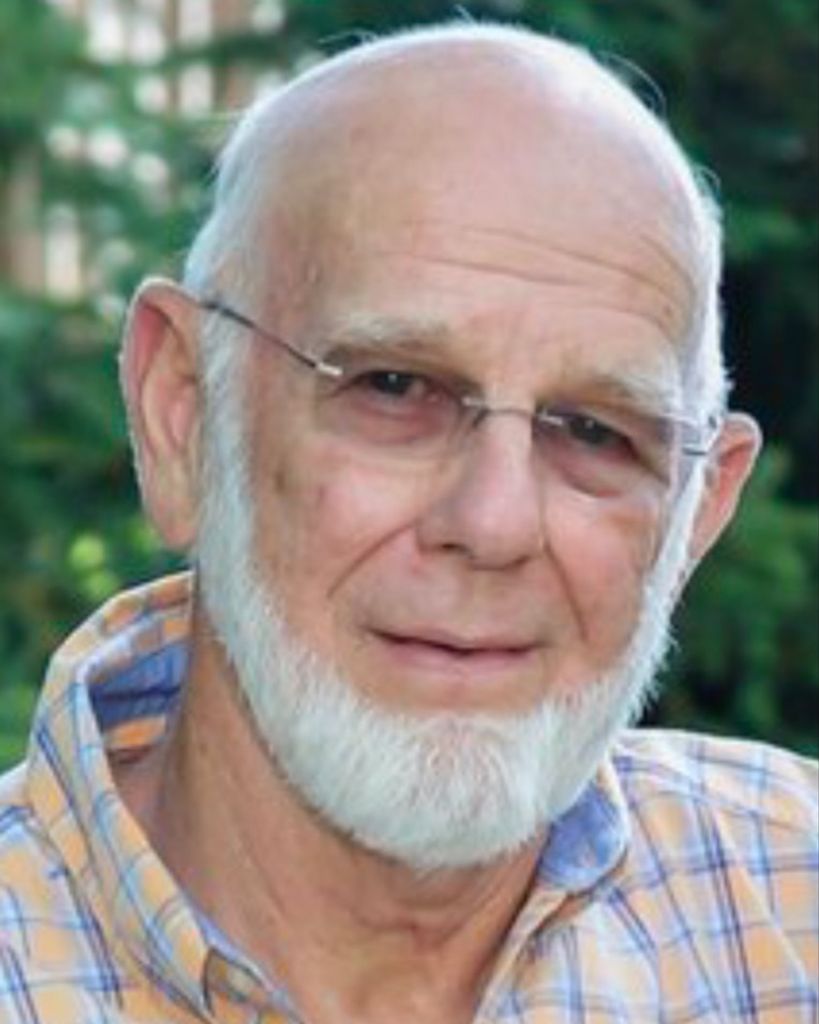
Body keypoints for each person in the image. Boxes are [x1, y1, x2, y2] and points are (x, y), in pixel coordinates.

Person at [1, 21, 816, 1024]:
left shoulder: (793, 909)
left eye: (596, 433)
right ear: (183, 413)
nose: (495, 523)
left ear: (696, 513)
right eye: (394, 387)